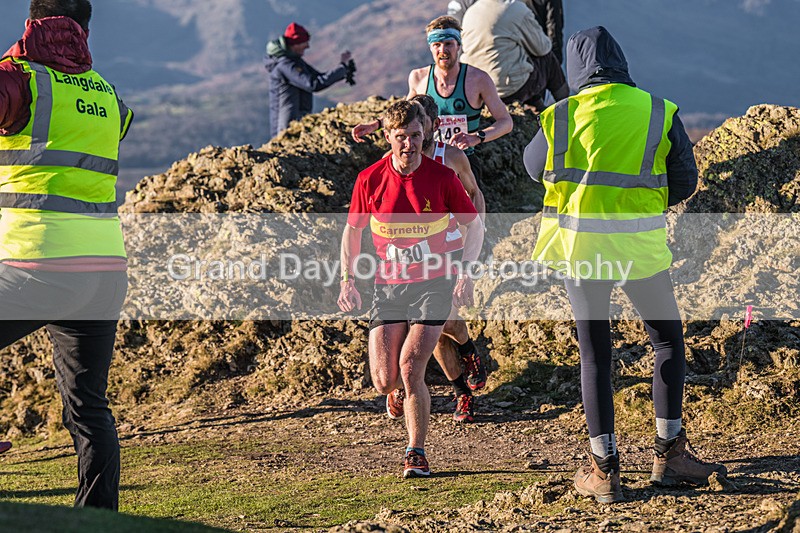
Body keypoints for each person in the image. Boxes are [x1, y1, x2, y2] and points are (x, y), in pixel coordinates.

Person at [523, 26, 725, 503]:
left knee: (596, 353)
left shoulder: (561, 116)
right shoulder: (657, 110)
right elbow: (685, 181)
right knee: (666, 342)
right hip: (640, 248)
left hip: (580, 251)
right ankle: (668, 455)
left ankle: (605, 469)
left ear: (575, 70)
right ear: (621, 64)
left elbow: (535, 169)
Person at [0, 0, 133, 510]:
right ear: (85, 28)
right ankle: (99, 520)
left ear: (34, 20)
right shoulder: (107, 94)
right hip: (103, 269)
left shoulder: (21, 79)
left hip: (37, 264)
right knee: (88, 409)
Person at [338, 100, 484, 477]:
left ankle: (415, 452)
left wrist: (466, 272)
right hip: (387, 287)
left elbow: (475, 225)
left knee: (410, 366)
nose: (409, 144)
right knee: (384, 380)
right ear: (387, 137)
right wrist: (347, 280)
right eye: (400, 137)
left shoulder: (443, 176)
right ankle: (454, 355)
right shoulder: (369, 179)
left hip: (434, 281)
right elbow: (352, 231)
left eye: (416, 136)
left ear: (426, 134)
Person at [352, 16, 512, 189]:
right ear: (430, 47)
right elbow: (405, 116)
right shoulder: (418, 78)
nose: (443, 50)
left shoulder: (479, 79)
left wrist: (476, 137)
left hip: (461, 158)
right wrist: (376, 125)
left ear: (458, 45)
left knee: (468, 207)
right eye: (437, 45)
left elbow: (506, 122)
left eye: (448, 43)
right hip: (425, 156)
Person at [460, 0, 568, 111]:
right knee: (548, 59)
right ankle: (566, 106)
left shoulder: (471, 12)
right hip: (508, 91)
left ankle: (536, 104)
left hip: (476, 89)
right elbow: (543, 48)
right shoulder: (515, 9)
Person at [265, 22, 355, 138]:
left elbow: (318, 77)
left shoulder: (295, 61)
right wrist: (342, 69)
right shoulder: (286, 65)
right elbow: (313, 84)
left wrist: (343, 67)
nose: (308, 46)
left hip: (296, 125)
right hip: (286, 130)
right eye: (304, 42)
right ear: (295, 43)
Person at [447, 0, 563, 63]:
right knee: (547, 58)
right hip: (514, 70)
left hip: (472, 69)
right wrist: (555, 61)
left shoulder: (466, 6)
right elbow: (553, 29)